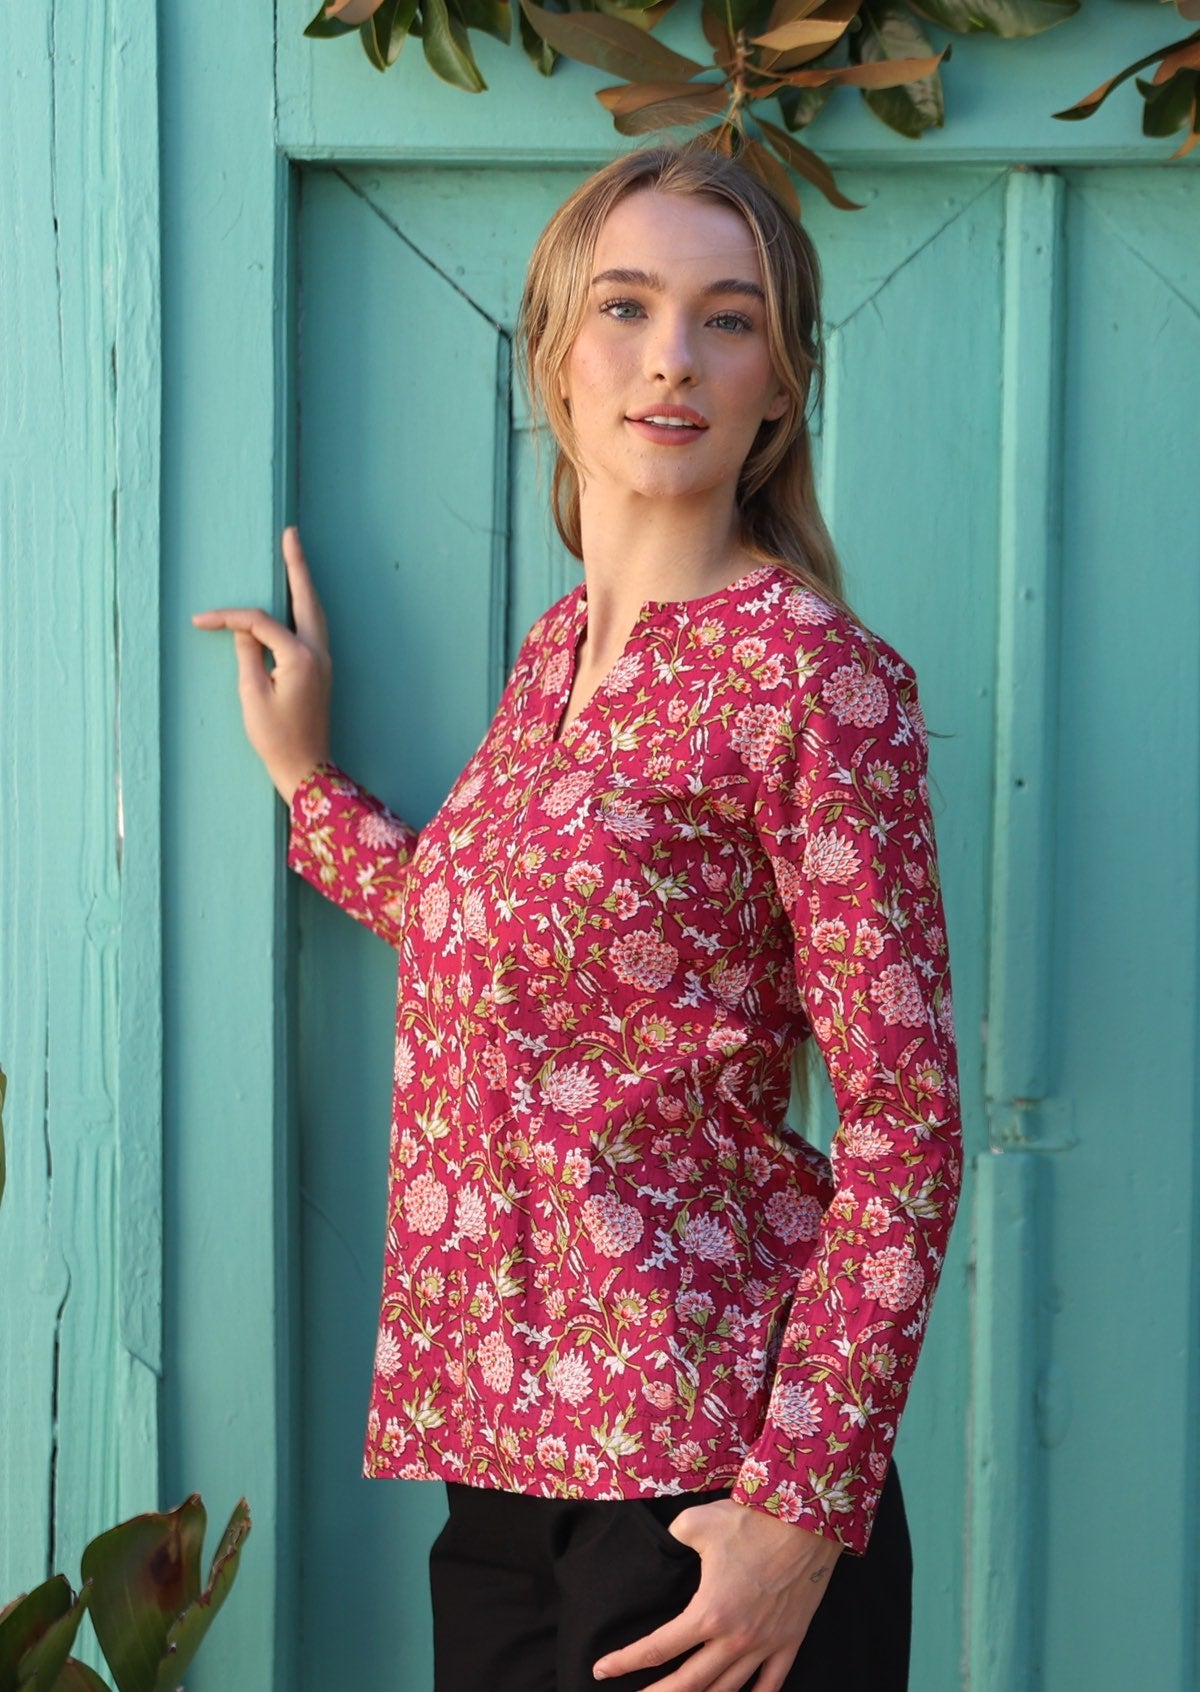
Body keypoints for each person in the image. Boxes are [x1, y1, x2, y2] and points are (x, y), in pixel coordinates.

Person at [193, 139, 962, 1692]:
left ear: (781, 381)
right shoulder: (558, 657)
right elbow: (493, 939)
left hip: (701, 1482)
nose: (671, 356)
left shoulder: (815, 679)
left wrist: (799, 1511)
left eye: (727, 318)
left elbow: (907, 1119)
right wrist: (307, 788)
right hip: (504, 1460)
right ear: (553, 350)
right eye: (625, 304)